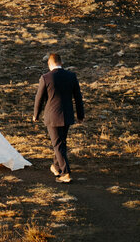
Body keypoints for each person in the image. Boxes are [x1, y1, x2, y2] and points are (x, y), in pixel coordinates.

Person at [32, 52, 85, 183]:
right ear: (61, 62)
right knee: (61, 143)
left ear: (49, 64)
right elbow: (78, 97)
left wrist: (36, 115)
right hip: (67, 115)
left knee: (58, 145)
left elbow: (39, 98)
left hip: (52, 116)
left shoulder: (46, 78)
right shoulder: (71, 76)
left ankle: (65, 173)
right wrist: (80, 115)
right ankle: (56, 167)